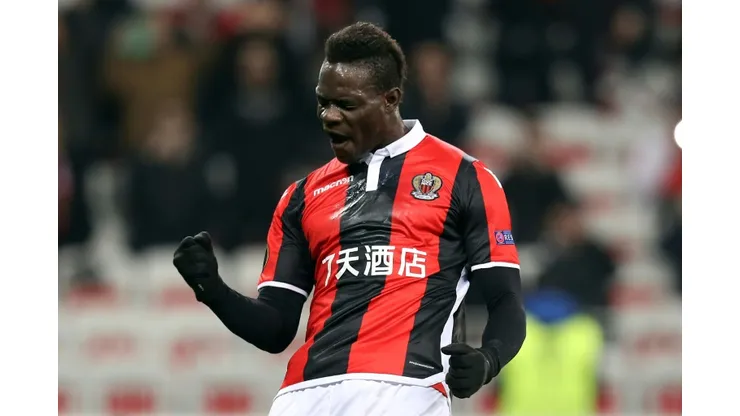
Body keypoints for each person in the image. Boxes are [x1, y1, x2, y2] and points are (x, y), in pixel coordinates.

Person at [173, 22, 526, 416]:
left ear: (390, 99)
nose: (330, 117)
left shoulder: (465, 178)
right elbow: (276, 328)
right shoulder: (301, 196)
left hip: (405, 390)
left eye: (346, 105)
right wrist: (212, 289)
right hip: (301, 396)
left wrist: (489, 359)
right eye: (323, 102)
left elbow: (505, 299)